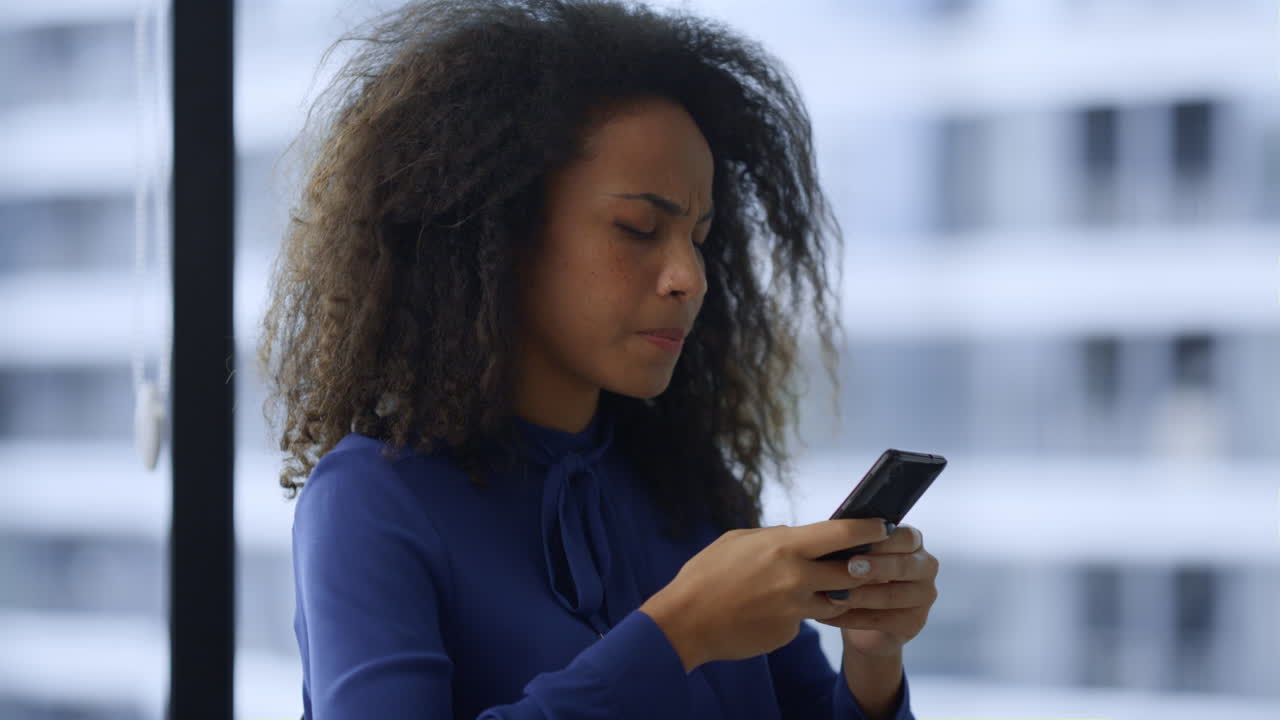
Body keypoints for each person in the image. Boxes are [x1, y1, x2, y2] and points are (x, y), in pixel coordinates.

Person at [255, 1, 940, 718]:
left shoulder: (695, 497)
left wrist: (872, 658)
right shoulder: (373, 500)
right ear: (500, 235)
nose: (690, 276)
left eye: (700, 238)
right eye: (638, 228)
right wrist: (678, 633)